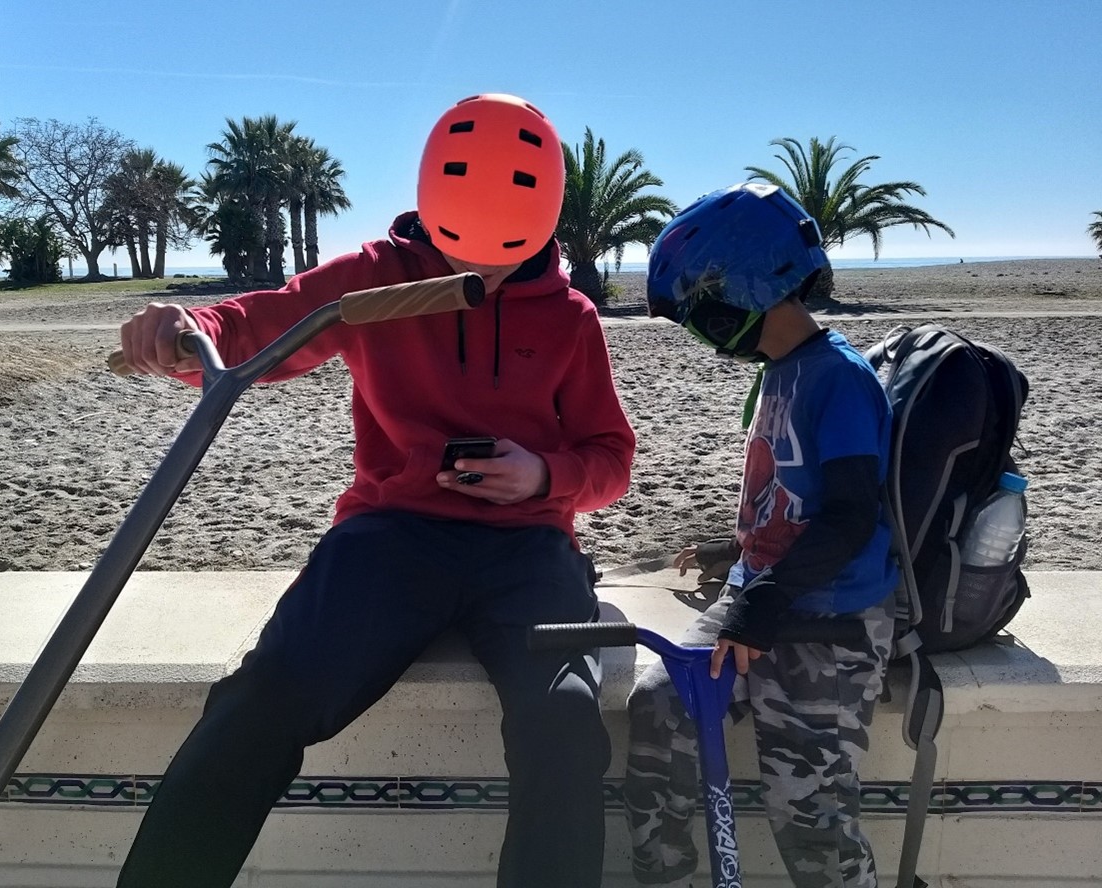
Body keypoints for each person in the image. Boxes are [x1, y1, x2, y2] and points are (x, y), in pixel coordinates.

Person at [114, 93, 636, 888]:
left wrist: (543, 475)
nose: (485, 276)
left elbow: (611, 457)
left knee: (564, 723)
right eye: (470, 254)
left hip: (532, 547)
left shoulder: (571, 318)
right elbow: (264, 325)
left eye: (503, 258)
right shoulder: (378, 280)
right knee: (266, 697)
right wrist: (189, 329)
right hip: (394, 537)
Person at [625, 183, 898, 887]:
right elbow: (790, 497)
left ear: (737, 287)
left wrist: (764, 599)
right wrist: (736, 549)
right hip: (761, 601)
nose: (698, 329)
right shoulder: (780, 373)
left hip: (827, 625)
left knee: (809, 816)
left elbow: (848, 514)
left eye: (696, 310)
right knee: (657, 708)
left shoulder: (839, 378)